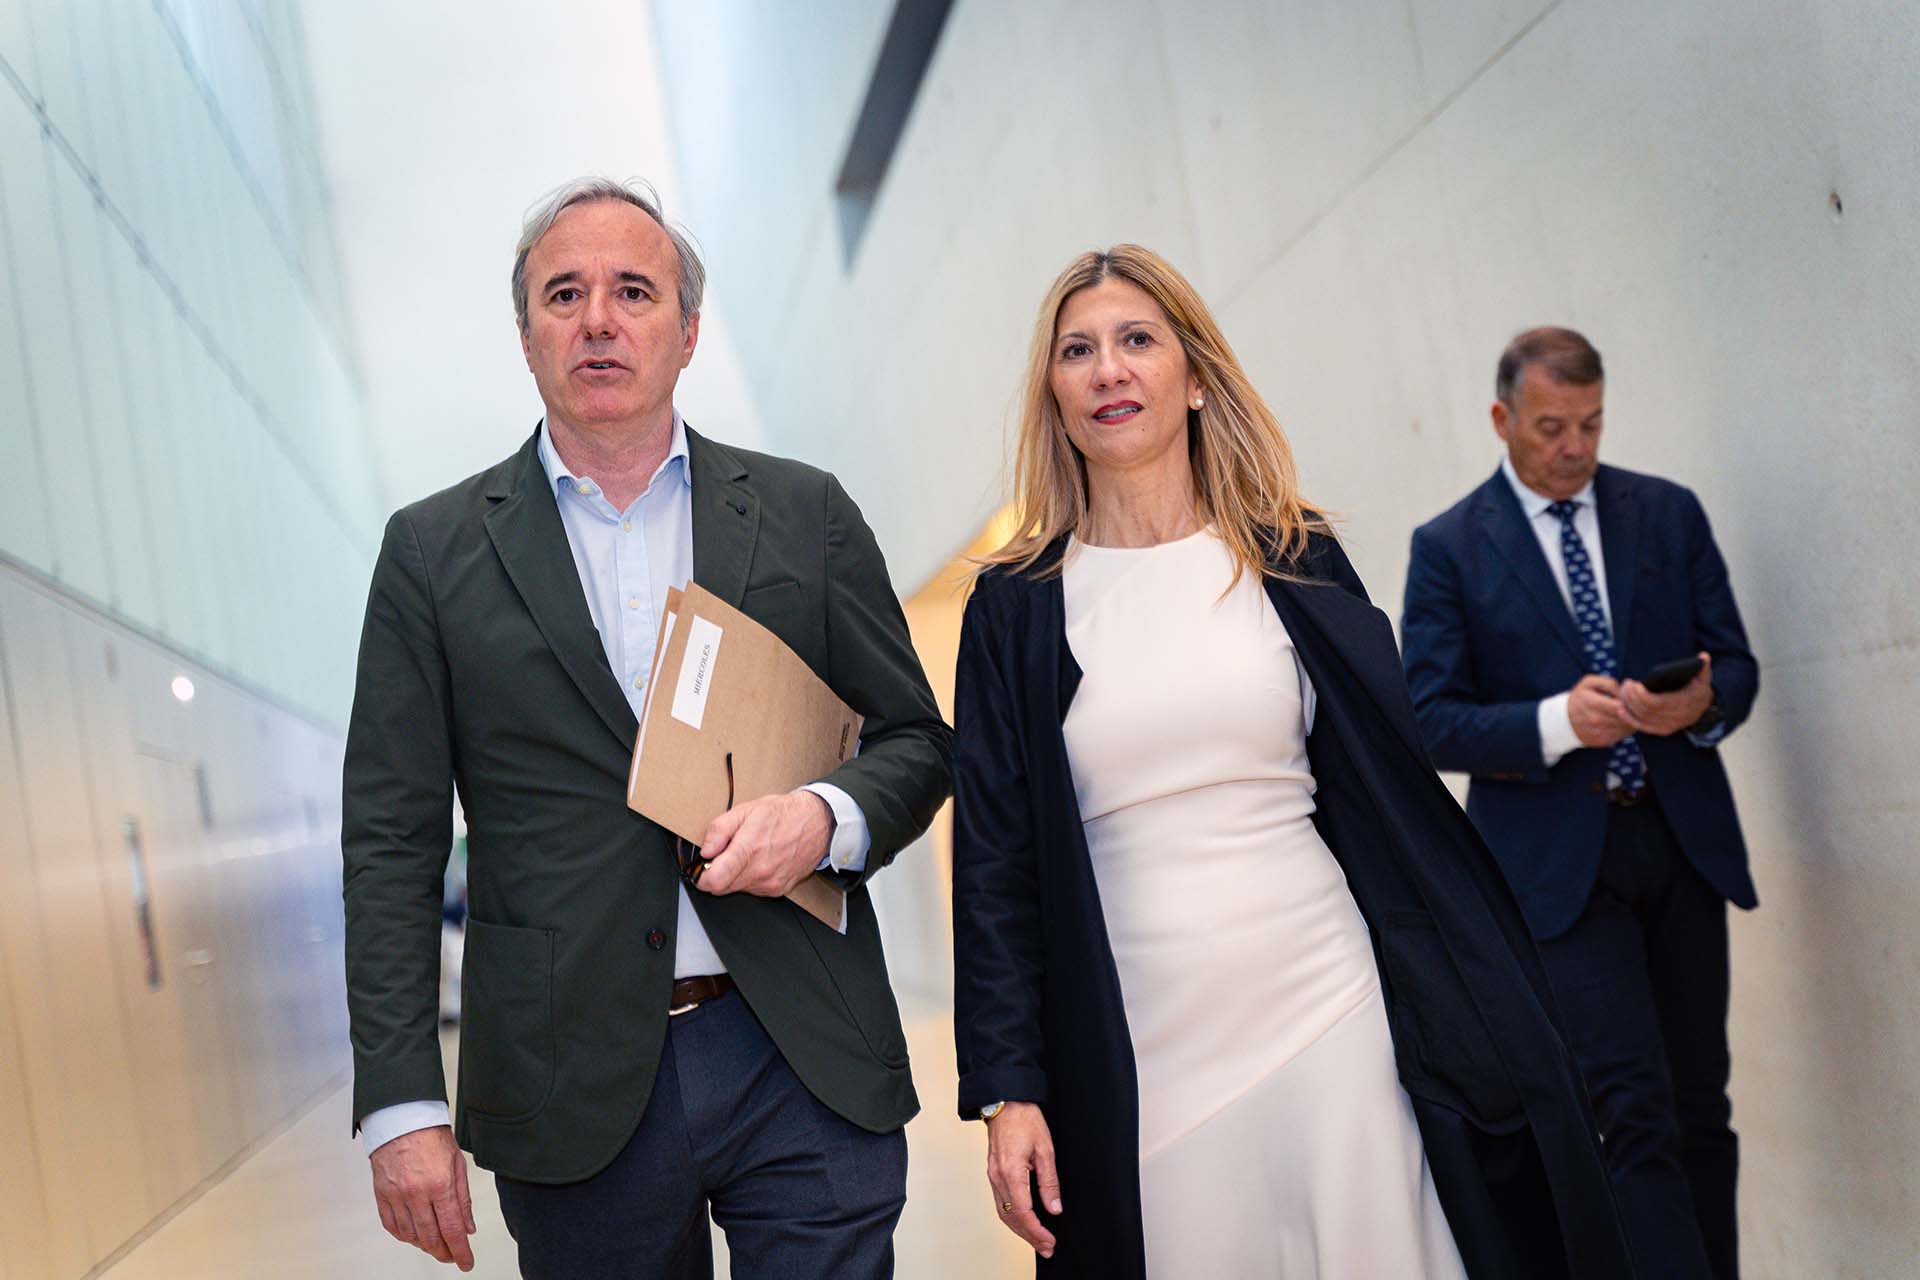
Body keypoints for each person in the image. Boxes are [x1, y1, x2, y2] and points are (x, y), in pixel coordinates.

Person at [950, 246, 1631, 1278]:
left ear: (1195, 376)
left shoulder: (1294, 559)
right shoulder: (1016, 607)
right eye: (1077, 350)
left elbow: (1388, 791)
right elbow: (995, 865)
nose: (1109, 369)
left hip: (1328, 1001)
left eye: (1137, 340)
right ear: (1054, 394)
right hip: (1138, 1043)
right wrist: (1008, 1087)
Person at [342, 177, 951, 1278]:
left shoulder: (804, 513)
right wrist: (400, 1100)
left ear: (688, 331)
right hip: (567, 1078)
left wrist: (824, 819)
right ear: (526, 336)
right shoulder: (431, 554)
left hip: (800, 1051)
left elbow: (915, 738)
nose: (599, 319)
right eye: (563, 294)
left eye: (633, 290)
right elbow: (390, 840)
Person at [1400, 326, 1758, 1280]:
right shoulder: (1449, 549)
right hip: (1560, 878)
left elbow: (1739, 667)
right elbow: (1428, 722)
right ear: (1502, 419)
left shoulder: (1667, 513)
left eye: (1591, 424)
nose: (1575, 447)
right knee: (1631, 1112)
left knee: (1703, 1105)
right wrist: (1557, 721)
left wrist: (1699, 704)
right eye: (1551, 427)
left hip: (1682, 847)